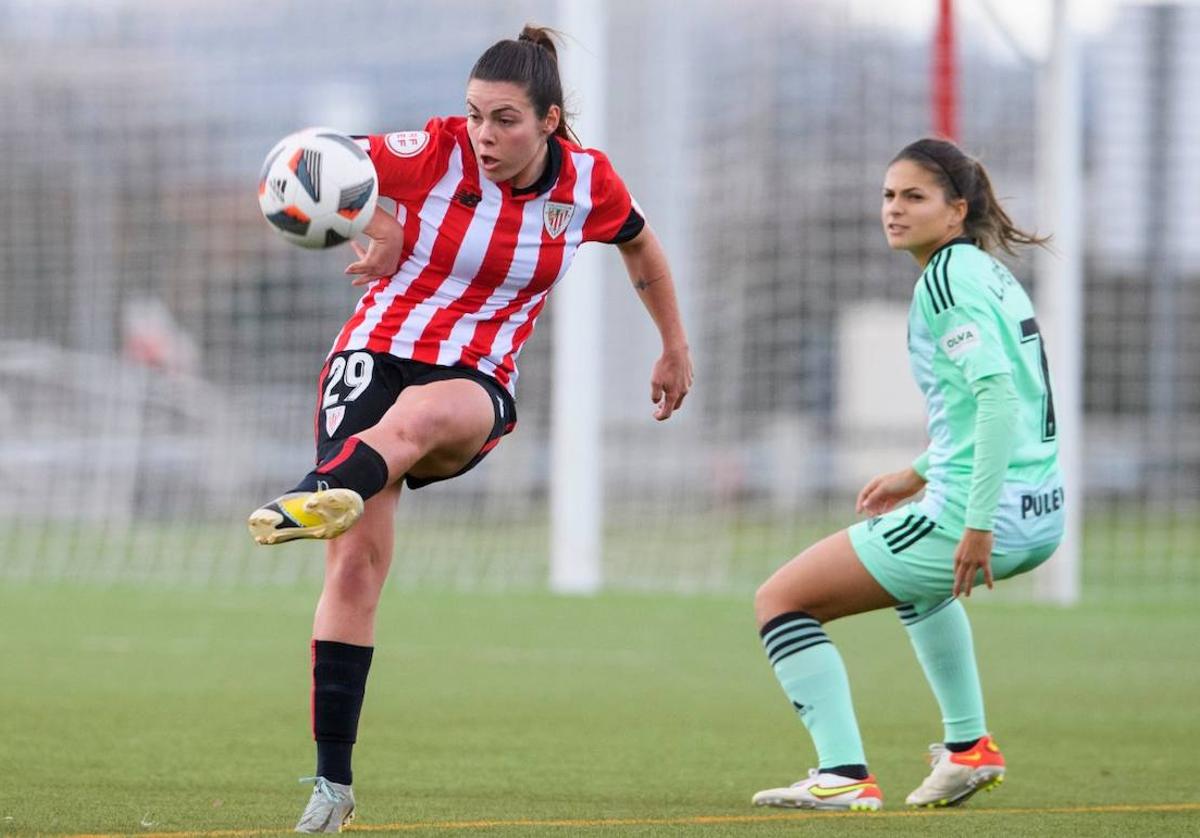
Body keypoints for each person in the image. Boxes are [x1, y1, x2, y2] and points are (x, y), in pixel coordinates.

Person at [247, 26, 693, 833]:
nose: (484, 135)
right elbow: (325, 162)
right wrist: (374, 215)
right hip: (373, 354)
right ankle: (332, 788)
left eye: (506, 120)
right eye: (475, 115)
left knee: (419, 420)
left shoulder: (587, 184)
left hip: (475, 376)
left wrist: (673, 344)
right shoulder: (438, 150)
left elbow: (641, 249)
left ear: (551, 121)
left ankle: (320, 490)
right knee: (354, 571)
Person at [750, 138, 1062, 812]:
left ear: (955, 210)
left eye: (913, 197)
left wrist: (975, 523)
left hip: (988, 511)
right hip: (1042, 508)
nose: (894, 209)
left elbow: (1001, 398)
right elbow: (1002, 398)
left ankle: (841, 775)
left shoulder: (945, 283)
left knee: (781, 601)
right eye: (889, 195)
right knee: (919, 590)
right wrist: (917, 472)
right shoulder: (985, 272)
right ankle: (967, 749)